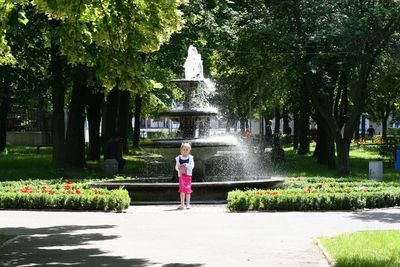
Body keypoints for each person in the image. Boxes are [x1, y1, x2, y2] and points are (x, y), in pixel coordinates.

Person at [175, 142, 195, 209]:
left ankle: (188, 204)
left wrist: (186, 165)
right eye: (184, 149)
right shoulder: (178, 158)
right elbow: (176, 167)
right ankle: (182, 204)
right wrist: (178, 168)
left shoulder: (191, 158)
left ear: (189, 150)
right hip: (181, 176)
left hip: (188, 176)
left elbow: (192, 166)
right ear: (181, 150)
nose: (185, 151)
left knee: (188, 190)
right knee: (182, 190)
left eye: (187, 150)